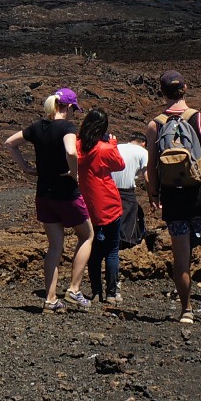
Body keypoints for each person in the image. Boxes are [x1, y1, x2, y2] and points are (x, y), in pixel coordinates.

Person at [145, 70, 201, 324]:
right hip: (200, 194)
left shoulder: (155, 125)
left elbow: (151, 167)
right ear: (185, 88)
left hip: (173, 198)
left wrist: (154, 194)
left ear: (161, 92)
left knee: (180, 257)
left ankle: (186, 311)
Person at [6, 88, 95, 312]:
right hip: (66, 194)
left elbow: (9, 143)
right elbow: (71, 152)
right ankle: (74, 289)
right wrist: (73, 173)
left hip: (43, 194)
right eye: (73, 109)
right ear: (68, 108)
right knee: (87, 235)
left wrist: (25, 167)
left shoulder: (37, 126)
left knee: (55, 246)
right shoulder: (67, 127)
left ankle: (51, 299)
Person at [76, 108, 126, 305]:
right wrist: (112, 143)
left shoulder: (77, 146)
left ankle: (96, 291)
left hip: (87, 205)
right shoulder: (105, 148)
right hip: (109, 204)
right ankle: (112, 293)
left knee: (94, 250)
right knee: (112, 250)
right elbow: (119, 165)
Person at [110, 132, 149, 277]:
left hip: (109, 190)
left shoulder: (116, 147)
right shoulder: (143, 152)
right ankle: (125, 249)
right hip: (126, 192)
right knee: (129, 219)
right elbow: (147, 178)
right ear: (143, 143)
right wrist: (154, 198)